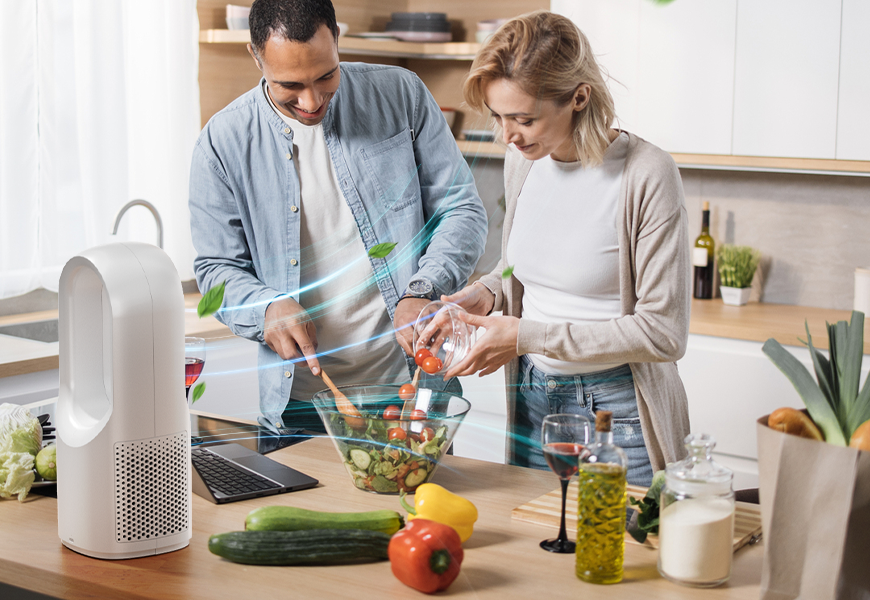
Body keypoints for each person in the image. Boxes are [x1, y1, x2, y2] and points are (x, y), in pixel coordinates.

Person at [190, 0, 487, 433]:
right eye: (290, 84)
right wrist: (267, 309)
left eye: (326, 76)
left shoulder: (400, 94)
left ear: (336, 40)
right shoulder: (222, 142)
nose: (312, 101)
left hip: (412, 388)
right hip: (299, 408)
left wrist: (422, 289)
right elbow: (216, 268)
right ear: (255, 56)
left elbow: (461, 208)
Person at [433, 11, 691, 485]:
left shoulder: (646, 174)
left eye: (523, 119)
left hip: (618, 412)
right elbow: (519, 267)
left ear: (578, 97)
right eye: (498, 117)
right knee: (536, 552)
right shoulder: (525, 162)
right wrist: (488, 291)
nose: (508, 135)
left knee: (621, 554)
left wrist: (525, 335)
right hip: (533, 397)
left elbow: (664, 333)